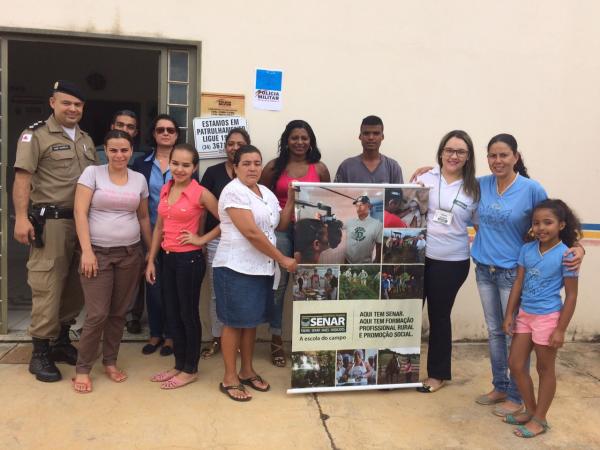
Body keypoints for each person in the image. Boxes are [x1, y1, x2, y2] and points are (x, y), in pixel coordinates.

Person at [13, 81, 97, 382]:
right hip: (51, 223)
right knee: (47, 283)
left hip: (81, 223)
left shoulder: (86, 140)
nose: (73, 109)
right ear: (53, 103)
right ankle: (40, 352)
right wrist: (21, 218)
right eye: (66, 103)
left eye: (78, 105)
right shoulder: (35, 135)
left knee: (76, 283)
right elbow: (23, 177)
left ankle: (62, 341)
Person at [212, 145, 297, 401]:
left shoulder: (267, 193)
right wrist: (282, 258)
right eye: (246, 163)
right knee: (234, 323)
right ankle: (229, 377)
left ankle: (247, 371)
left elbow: (280, 224)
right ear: (235, 167)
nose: (252, 168)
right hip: (235, 267)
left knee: (250, 323)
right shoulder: (233, 192)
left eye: (257, 163)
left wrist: (291, 199)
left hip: (260, 268)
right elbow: (251, 233)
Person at [71, 130, 152, 393]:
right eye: (113, 150)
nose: (119, 155)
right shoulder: (92, 174)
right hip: (97, 254)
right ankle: (83, 368)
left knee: (118, 313)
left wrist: (151, 251)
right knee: (97, 314)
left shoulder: (139, 179)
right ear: (105, 150)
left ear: (131, 151)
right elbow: (80, 213)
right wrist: (86, 251)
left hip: (130, 255)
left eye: (124, 150)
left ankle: (110, 362)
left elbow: (142, 218)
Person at [502, 200, 580, 438]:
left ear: (561, 225)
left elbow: (572, 295)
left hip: (548, 318)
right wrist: (509, 314)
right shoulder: (526, 250)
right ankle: (532, 411)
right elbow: (518, 283)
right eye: (536, 223)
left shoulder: (566, 255)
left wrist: (560, 330)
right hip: (525, 315)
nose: (541, 228)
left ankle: (541, 419)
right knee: (515, 364)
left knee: (544, 368)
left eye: (548, 222)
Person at [145, 143, 220, 389]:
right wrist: (151, 260)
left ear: (194, 167)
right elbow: (159, 227)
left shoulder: (200, 193)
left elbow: (228, 219)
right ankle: (178, 364)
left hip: (189, 261)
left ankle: (190, 369)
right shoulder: (167, 189)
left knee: (188, 314)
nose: (179, 169)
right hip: (167, 258)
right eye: (175, 163)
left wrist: (201, 239)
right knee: (172, 312)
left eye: (185, 165)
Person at [260, 120, 330, 368]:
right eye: (294, 138)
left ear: (311, 141)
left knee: (311, 286)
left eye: (304, 137)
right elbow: (261, 197)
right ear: (286, 141)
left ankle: (308, 342)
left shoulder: (319, 168)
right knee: (279, 287)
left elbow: (326, 199)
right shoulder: (273, 168)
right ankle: (276, 338)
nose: (300, 142)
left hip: (308, 234)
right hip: (280, 233)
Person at [414, 131, 479, 394]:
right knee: (406, 313)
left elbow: (483, 225)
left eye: (460, 152)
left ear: (468, 157)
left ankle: (437, 375)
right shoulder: (424, 178)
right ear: (441, 152)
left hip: (452, 262)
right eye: (449, 150)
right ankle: (397, 371)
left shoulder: (475, 187)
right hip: (418, 257)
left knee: (439, 316)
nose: (454, 156)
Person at [133, 114, 191, 356]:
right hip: (149, 234)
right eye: (160, 130)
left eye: (170, 130)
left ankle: (171, 336)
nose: (165, 133)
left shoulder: (185, 164)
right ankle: (155, 334)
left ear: (177, 134)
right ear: (154, 134)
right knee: (154, 287)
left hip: (177, 238)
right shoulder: (141, 164)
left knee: (173, 290)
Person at [199, 127, 251, 359]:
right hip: (215, 239)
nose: (234, 148)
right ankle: (217, 338)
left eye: (240, 144)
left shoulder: (251, 173)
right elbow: (201, 208)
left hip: (245, 240)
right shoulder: (212, 172)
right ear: (225, 147)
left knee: (240, 292)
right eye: (231, 144)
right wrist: (200, 238)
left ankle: (237, 341)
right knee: (216, 293)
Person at [334, 115, 403, 183]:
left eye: (376, 133)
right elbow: (335, 193)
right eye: (366, 133)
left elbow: (400, 193)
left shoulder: (393, 167)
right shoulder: (346, 167)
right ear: (360, 136)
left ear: (382, 137)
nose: (371, 137)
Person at [344, 196, 382, 263]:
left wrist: (377, 261)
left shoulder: (377, 224)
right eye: (357, 205)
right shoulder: (350, 221)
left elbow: (379, 246)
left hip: (364, 264)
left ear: (369, 206)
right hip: (347, 261)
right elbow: (338, 226)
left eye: (361, 205)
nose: (358, 208)